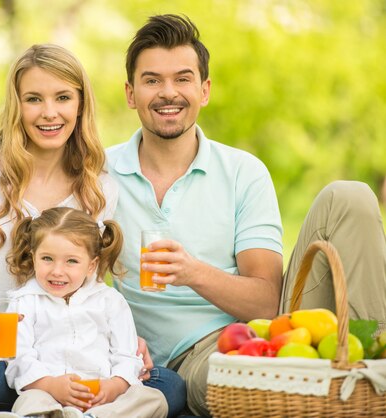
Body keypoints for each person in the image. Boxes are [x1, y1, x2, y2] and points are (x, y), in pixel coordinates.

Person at [106, 13, 386, 417]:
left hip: (250, 330)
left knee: (351, 195)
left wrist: (192, 272)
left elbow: (267, 302)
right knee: (240, 375)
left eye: (182, 79)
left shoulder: (242, 171)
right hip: (188, 359)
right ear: (131, 94)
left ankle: (374, 370)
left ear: (204, 90)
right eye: (152, 80)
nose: (169, 93)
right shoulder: (98, 173)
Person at [0, 43, 184, 418]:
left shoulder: (97, 188)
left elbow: (89, 281)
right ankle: (58, 405)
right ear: (17, 105)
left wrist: (121, 343)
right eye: (34, 99)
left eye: (63, 97)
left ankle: (2, 412)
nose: (50, 113)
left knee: (170, 385)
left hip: (70, 357)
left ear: (80, 105)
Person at [0, 207, 178, 418]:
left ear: (91, 265)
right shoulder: (24, 301)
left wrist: (114, 386)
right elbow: (18, 358)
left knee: (153, 399)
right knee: (30, 399)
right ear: (34, 258)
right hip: (49, 393)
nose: (57, 270)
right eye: (47, 259)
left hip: (102, 397)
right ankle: (43, 415)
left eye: (71, 261)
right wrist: (50, 385)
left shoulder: (110, 301)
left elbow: (127, 355)